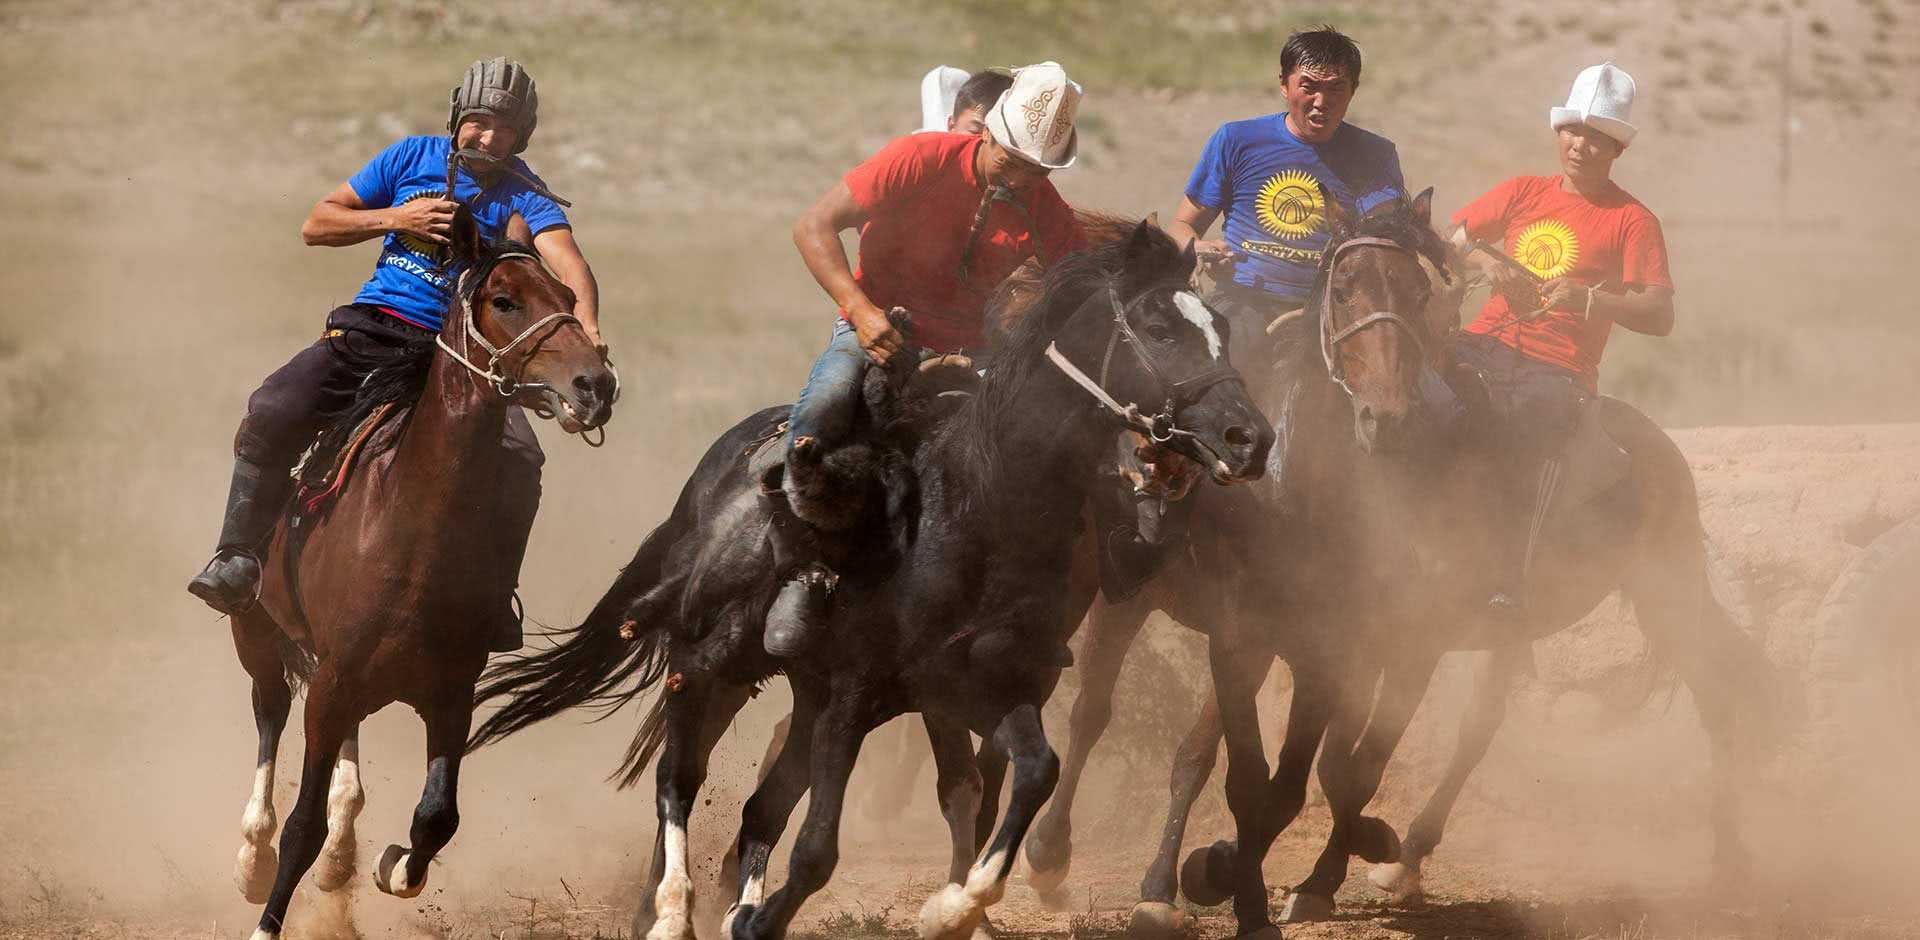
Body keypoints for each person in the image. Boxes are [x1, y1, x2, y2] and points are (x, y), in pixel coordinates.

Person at [187, 57, 602, 652]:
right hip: (373, 329)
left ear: (522, 135)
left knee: (520, 459)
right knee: (274, 407)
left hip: (460, 357)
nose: (488, 137)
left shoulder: (523, 195)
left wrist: (588, 323)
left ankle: (494, 599)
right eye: (479, 122)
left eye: (504, 129)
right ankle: (238, 557)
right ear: (459, 116)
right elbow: (316, 223)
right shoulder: (410, 158)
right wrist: (398, 217)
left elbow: (569, 263)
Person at [765, 62, 1089, 657]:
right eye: (1013, 162)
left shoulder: (1042, 203)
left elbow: (1079, 281)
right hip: (878, 329)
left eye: (1036, 170)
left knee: (1041, 444)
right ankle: (798, 571)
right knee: (827, 406)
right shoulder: (920, 158)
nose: (1020, 181)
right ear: (986, 133)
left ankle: (1018, 597)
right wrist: (862, 313)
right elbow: (813, 227)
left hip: (976, 351)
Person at [1448, 61, 1673, 617]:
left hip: (1558, 368)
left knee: (1530, 426)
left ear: (1616, 150)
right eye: (1574, 130)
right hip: (1481, 342)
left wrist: (1591, 300)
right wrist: (1484, 260)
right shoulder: (1523, 191)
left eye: (1598, 138)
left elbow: (1659, 313)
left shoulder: (1632, 220)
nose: (1581, 146)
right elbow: (1449, 238)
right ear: (1559, 133)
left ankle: (1509, 573)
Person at [1168, 25, 1405, 353]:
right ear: (1284, 84)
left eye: (1336, 88)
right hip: (1242, 301)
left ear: (1353, 90)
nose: (1321, 102)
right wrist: (1199, 248)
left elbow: (1388, 241)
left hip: (1336, 312)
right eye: (1308, 87)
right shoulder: (1237, 140)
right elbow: (1183, 226)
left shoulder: (1374, 154)